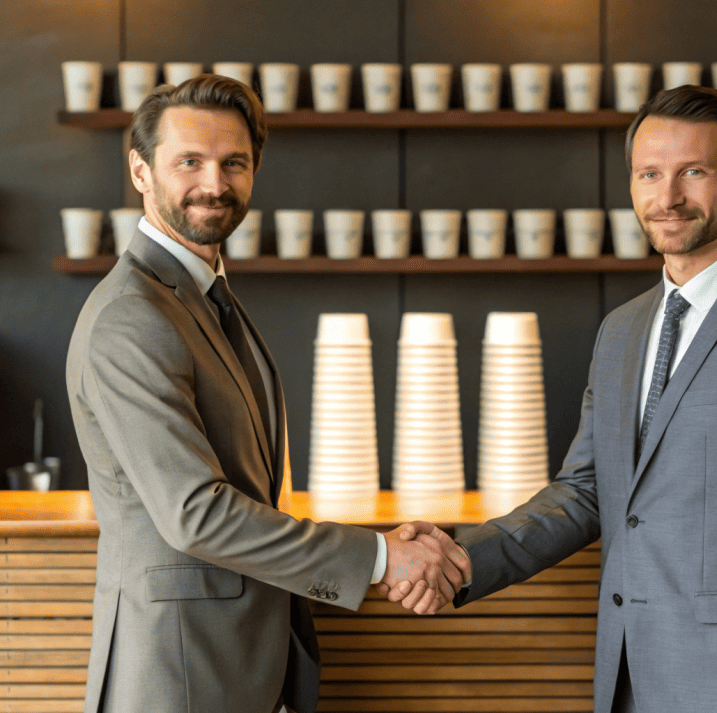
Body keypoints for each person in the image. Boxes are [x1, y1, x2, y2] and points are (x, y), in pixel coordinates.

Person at [389, 86, 717, 712]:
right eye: (649, 174)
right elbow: (586, 490)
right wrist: (462, 558)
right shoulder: (624, 329)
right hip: (628, 681)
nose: (666, 198)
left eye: (692, 172)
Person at [66, 75, 466, 713]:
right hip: (179, 674)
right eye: (188, 162)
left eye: (234, 163)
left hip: (234, 666)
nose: (214, 184)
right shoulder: (132, 316)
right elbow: (196, 513)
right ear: (140, 171)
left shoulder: (205, 294)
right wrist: (380, 557)